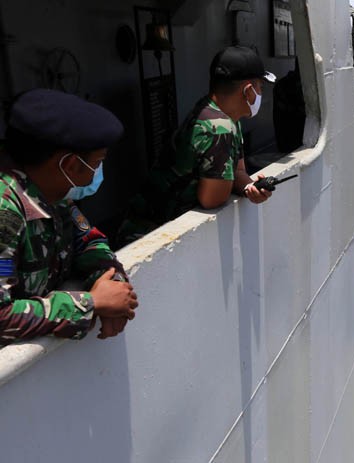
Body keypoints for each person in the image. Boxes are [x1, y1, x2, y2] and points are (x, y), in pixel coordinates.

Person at [0, 89, 138, 345]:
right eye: (96, 164)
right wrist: (90, 303)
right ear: (69, 164)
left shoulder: (53, 193)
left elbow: (87, 240)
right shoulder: (5, 214)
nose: (96, 173)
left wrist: (112, 284)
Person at [120, 46, 277, 243]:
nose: (261, 93)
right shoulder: (220, 127)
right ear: (247, 91)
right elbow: (212, 199)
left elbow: (237, 171)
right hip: (147, 232)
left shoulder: (220, 115)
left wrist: (249, 187)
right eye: (260, 87)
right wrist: (234, 183)